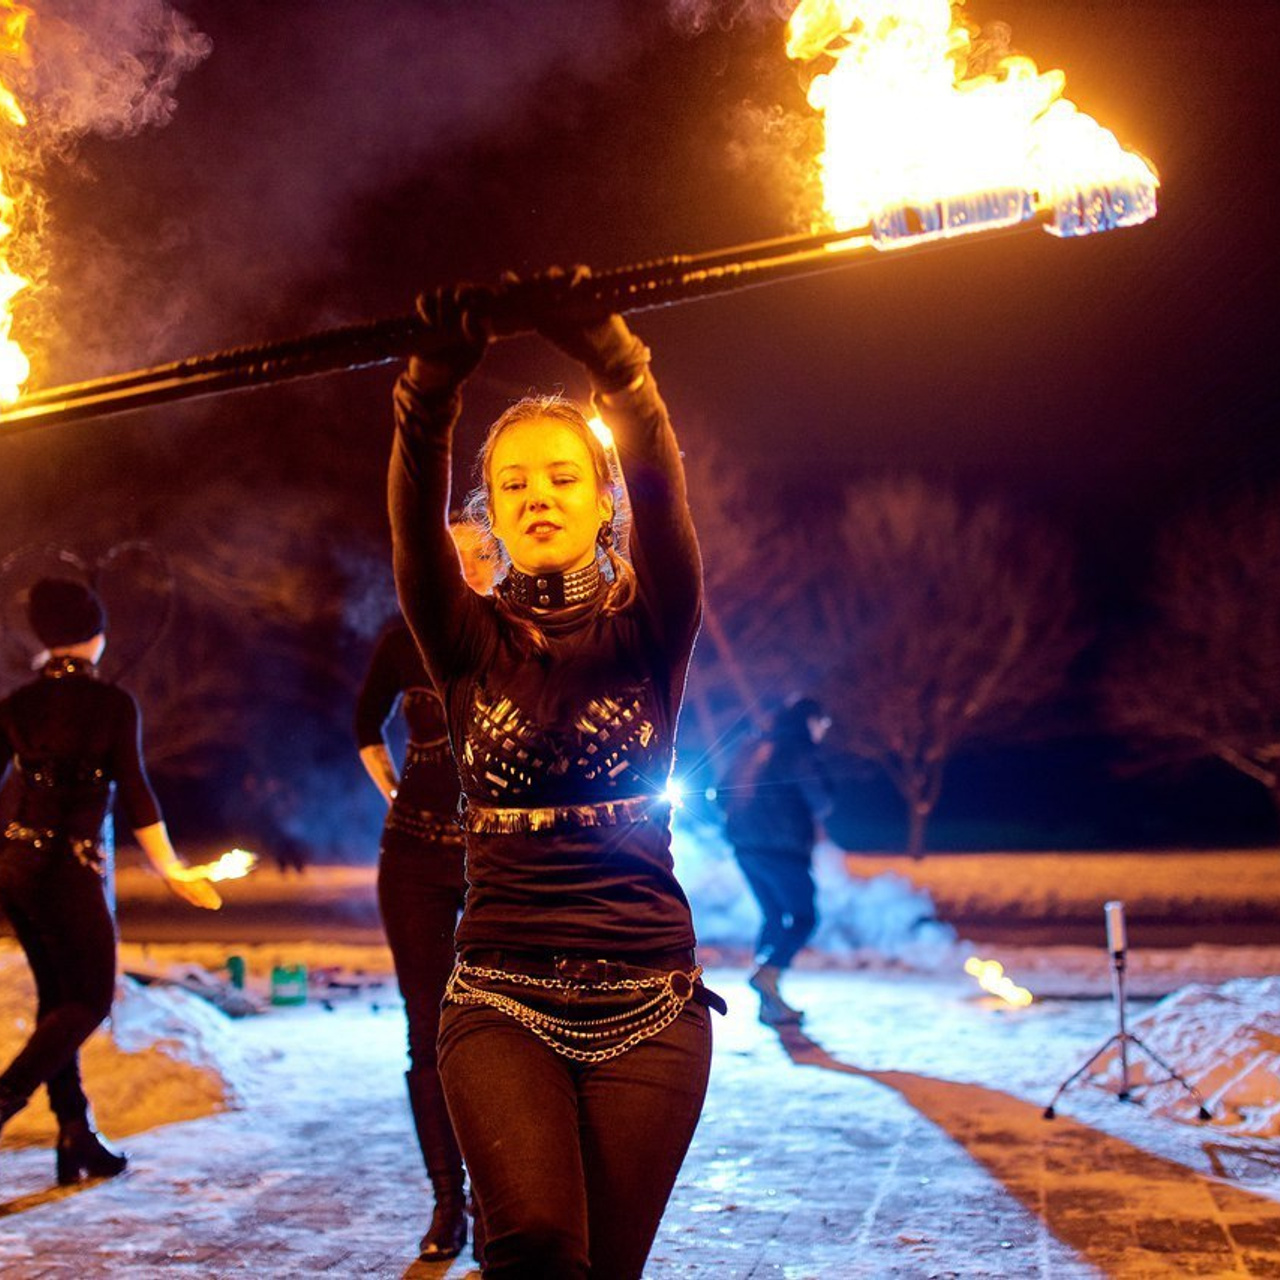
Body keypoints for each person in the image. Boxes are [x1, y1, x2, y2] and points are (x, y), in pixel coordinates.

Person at [388, 280, 722, 1279]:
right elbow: (410, 516)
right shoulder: (461, 637)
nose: (539, 495)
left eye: (564, 478)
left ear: (602, 500)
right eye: (517, 482)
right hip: (497, 994)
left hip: (649, 1004)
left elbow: (665, 493)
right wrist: (429, 394)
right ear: (489, 507)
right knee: (533, 1244)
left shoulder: (651, 628)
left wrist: (619, 368)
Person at [0, 578, 220, 1181]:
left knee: (56, 1002)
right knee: (91, 999)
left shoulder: (17, 704)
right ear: (96, 636)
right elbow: (138, 792)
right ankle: (5, 1101)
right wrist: (172, 869)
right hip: (70, 871)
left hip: (16, 868)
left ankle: (75, 1134)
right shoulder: (112, 704)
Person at [354, 524, 494, 1263]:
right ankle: (449, 1202)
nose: (459, 566)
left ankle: (496, 1196)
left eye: (475, 554)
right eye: (447, 554)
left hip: (496, 864)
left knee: (499, 1027)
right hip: (411, 859)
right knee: (427, 1031)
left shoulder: (512, 632)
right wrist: (394, 792)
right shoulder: (401, 638)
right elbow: (362, 725)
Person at [719, 695, 833, 1025]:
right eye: (822, 723)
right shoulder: (797, 751)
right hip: (782, 849)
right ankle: (767, 976)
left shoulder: (753, 748)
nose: (823, 730)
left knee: (772, 916)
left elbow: (721, 792)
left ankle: (768, 1002)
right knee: (804, 917)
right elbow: (821, 800)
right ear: (810, 722)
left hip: (746, 848)